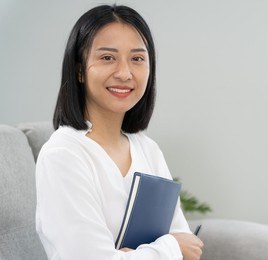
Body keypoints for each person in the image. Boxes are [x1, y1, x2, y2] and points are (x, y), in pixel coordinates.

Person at [35, 4, 203, 260]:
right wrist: (169, 249)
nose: (124, 73)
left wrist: (131, 255)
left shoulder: (148, 149)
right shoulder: (63, 155)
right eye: (107, 58)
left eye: (137, 58)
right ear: (80, 70)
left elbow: (186, 244)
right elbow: (178, 247)